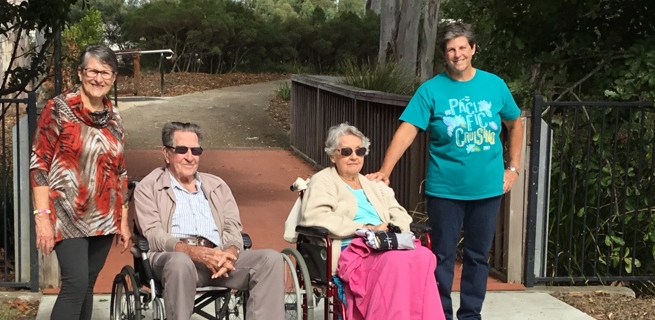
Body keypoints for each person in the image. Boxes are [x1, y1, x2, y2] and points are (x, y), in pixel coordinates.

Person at [366, 22, 524, 320]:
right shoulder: (431, 90)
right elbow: (408, 129)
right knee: (441, 257)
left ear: (473, 49)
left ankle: (470, 315)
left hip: (488, 188)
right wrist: (385, 169)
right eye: (451, 49)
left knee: (478, 257)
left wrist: (513, 167)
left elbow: (515, 124)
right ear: (444, 54)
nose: (457, 54)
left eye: (463, 47)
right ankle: (441, 314)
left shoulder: (494, 85)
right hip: (445, 189)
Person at [133, 121, 284, 320]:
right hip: (173, 258)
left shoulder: (217, 185)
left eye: (195, 151)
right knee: (180, 262)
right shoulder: (148, 187)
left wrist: (230, 251)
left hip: (218, 258)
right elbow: (153, 234)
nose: (190, 157)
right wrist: (192, 252)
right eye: (181, 150)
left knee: (270, 260)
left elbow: (232, 226)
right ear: (166, 153)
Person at [299, 123, 443, 319]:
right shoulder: (323, 181)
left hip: (387, 243)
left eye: (360, 151)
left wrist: (392, 229)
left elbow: (399, 213)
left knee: (423, 256)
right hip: (353, 249)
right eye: (346, 151)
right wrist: (366, 228)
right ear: (333, 155)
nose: (354, 156)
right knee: (395, 261)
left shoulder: (374, 184)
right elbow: (315, 217)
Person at [30, 44, 130, 320]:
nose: (99, 78)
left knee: (87, 286)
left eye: (105, 73)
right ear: (80, 73)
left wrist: (123, 217)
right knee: (74, 284)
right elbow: (39, 164)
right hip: (66, 213)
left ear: (113, 77)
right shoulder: (58, 109)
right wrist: (42, 217)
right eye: (93, 71)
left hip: (104, 216)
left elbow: (120, 170)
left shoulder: (115, 116)